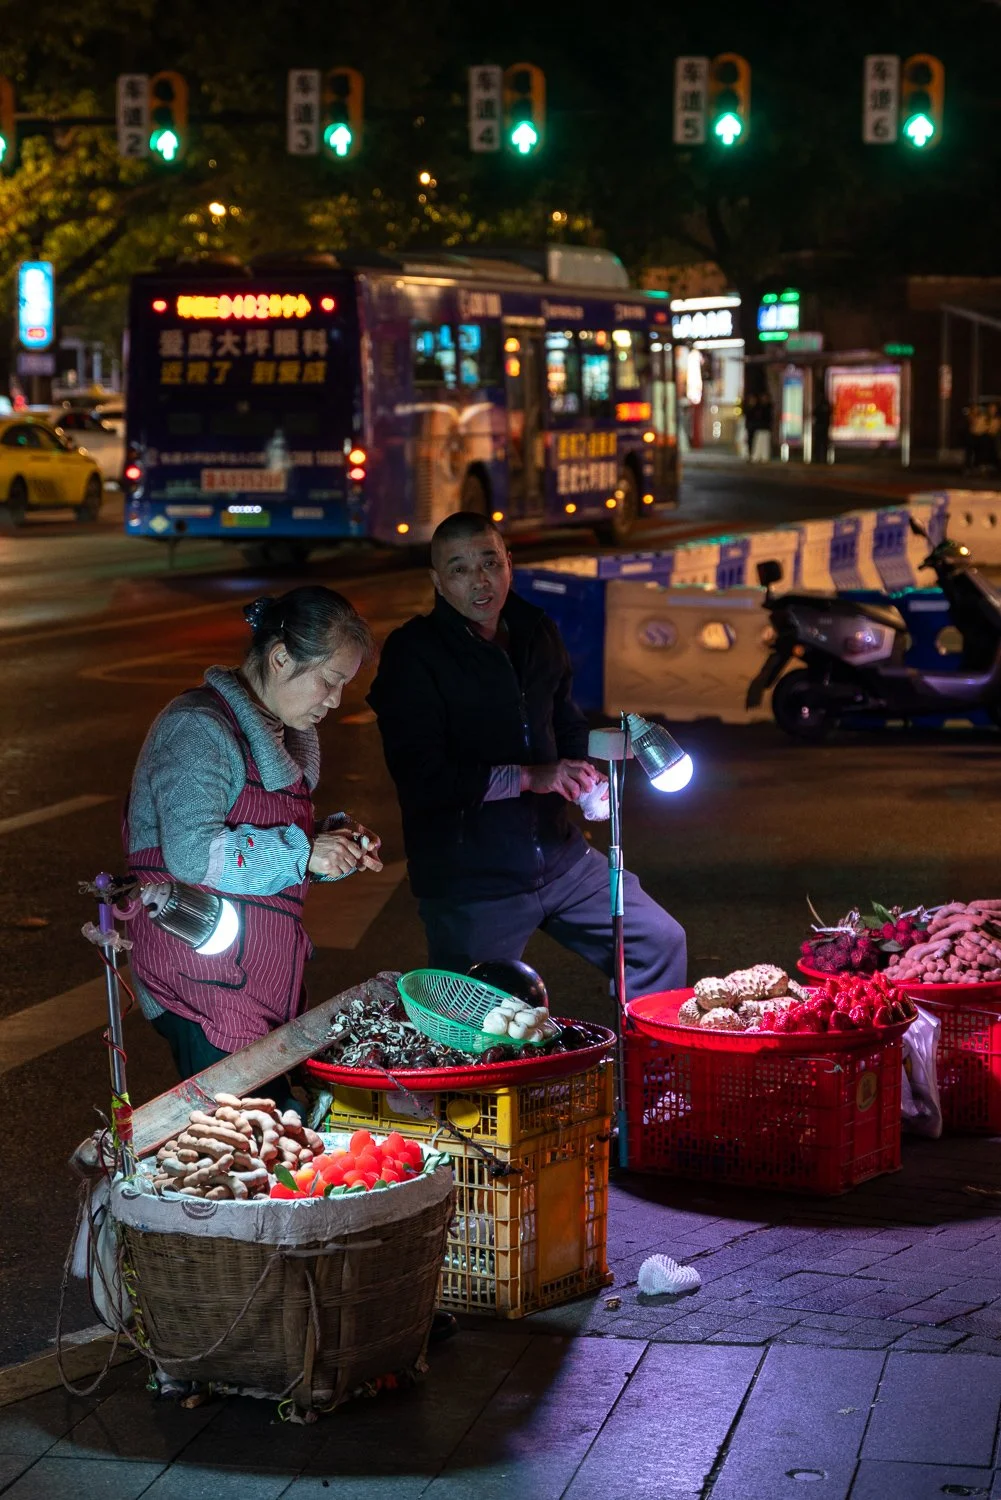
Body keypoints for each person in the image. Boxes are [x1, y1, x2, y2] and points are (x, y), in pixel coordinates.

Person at [367, 512, 686, 999]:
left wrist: (584, 774)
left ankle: (647, 1071)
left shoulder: (535, 629)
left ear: (509, 564)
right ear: (437, 580)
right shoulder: (414, 655)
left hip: (561, 858)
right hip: (471, 882)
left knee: (659, 942)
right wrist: (530, 777)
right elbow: (422, 776)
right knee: (474, 1019)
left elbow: (565, 719)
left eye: (490, 562)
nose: (480, 581)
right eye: (459, 569)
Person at [125, 586, 382, 1081]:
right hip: (201, 980)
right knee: (248, 1135)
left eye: (344, 684)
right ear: (282, 658)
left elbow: (264, 841)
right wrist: (306, 853)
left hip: (256, 976)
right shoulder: (197, 728)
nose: (334, 700)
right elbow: (194, 856)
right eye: (329, 681)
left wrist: (334, 845)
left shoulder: (279, 732)